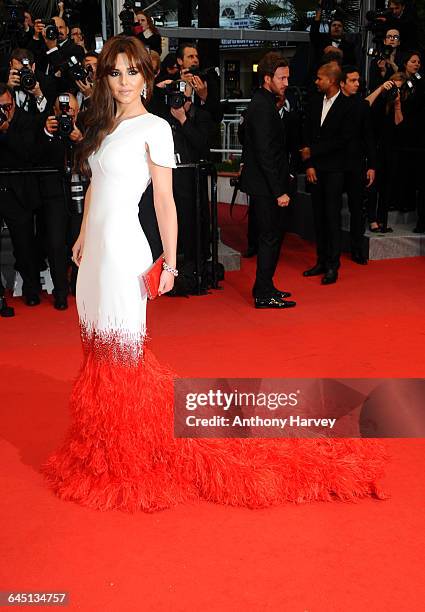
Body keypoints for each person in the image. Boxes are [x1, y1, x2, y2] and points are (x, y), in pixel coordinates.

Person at [41, 37, 386, 513]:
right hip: (94, 259)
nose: (123, 82)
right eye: (115, 73)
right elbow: (96, 187)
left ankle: (129, 453)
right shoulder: (103, 124)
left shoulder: (154, 127)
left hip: (124, 255)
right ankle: (101, 445)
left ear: (146, 75)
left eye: (132, 72)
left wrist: (172, 263)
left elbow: (166, 200)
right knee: (98, 356)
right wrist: (81, 235)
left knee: (124, 357)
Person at [239, 52, 296, 310]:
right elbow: (265, 153)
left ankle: (265, 286)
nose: (285, 82)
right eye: (281, 77)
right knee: (270, 237)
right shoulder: (262, 107)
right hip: (266, 186)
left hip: (266, 183)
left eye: (287, 77)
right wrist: (279, 191)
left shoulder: (264, 102)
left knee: (271, 237)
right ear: (266, 78)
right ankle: (263, 293)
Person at [301, 62, 354, 284]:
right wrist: (310, 163)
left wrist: (313, 151)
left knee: (332, 217)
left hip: (334, 170)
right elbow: (307, 133)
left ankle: (333, 265)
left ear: (331, 80)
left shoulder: (347, 106)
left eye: (319, 78)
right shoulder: (314, 103)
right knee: (318, 217)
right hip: (316, 170)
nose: (316, 81)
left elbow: (343, 140)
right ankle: (321, 261)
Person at [339, 66, 376, 264]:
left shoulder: (362, 106)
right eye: (353, 80)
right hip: (335, 165)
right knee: (332, 208)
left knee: (357, 209)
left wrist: (372, 165)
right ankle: (332, 249)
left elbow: (369, 136)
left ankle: (357, 249)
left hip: (356, 164)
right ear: (342, 83)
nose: (357, 84)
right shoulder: (333, 103)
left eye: (358, 80)